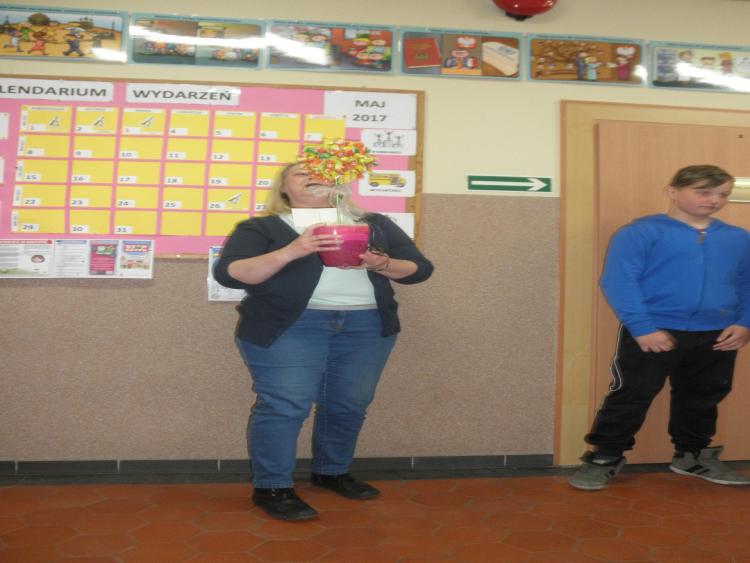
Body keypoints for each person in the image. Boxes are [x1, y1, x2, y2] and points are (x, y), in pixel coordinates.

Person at [213, 162, 433, 520]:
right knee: (285, 406)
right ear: (283, 188)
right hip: (291, 326)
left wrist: (380, 263)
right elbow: (230, 274)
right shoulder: (262, 227)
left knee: (349, 404)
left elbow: (420, 270)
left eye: (323, 173)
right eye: (302, 173)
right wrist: (294, 249)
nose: (314, 176)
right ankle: (272, 487)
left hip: (365, 326)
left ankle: (332, 472)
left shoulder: (373, 223)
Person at [569, 164, 750, 491]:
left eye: (722, 194)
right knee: (632, 394)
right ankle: (604, 457)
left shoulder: (737, 238)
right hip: (654, 331)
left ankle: (692, 455)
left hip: (717, 333)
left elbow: (746, 282)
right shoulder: (640, 233)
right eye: (703, 191)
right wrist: (642, 328)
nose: (714, 200)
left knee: (703, 397)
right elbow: (618, 281)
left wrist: (744, 322)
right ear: (672, 191)